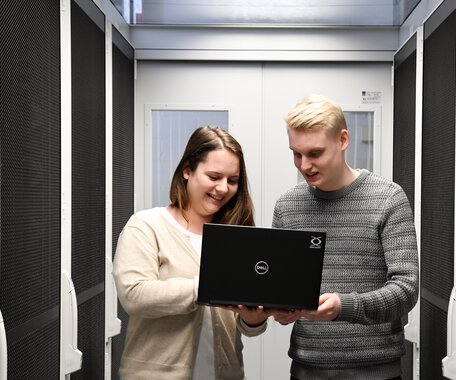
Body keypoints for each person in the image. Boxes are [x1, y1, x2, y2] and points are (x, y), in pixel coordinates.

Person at [271, 94, 419, 380]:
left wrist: (345, 306)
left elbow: (406, 289)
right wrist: (281, 308)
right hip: (306, 369)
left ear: (342, 140)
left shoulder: (388, 198)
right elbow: (283, 288)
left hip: (376, 372)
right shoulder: (287, 206)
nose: (304, 165)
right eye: (296, 154)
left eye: (314, 153)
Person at [113, 126, 269, 380]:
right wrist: (206, 287)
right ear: (187, 170)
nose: (223, 188)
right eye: (214, 176)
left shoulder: (238, 236)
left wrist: (254, 319)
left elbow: (247, 328)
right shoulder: (146, 225)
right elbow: (134, 295)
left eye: (232, 180)